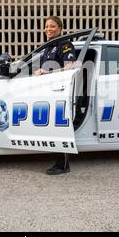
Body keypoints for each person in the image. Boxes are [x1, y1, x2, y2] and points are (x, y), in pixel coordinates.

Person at [35, 16, 76, 175]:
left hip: (61, 91)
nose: (48, 29)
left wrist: (47, 72)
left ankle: (63, 165)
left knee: (59, 127)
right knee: (53, 126)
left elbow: (71, 67)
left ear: (59, 28)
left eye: (52, 26)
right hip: (49, 91)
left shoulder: (64, 44)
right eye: (46, 26)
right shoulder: (47, 47)